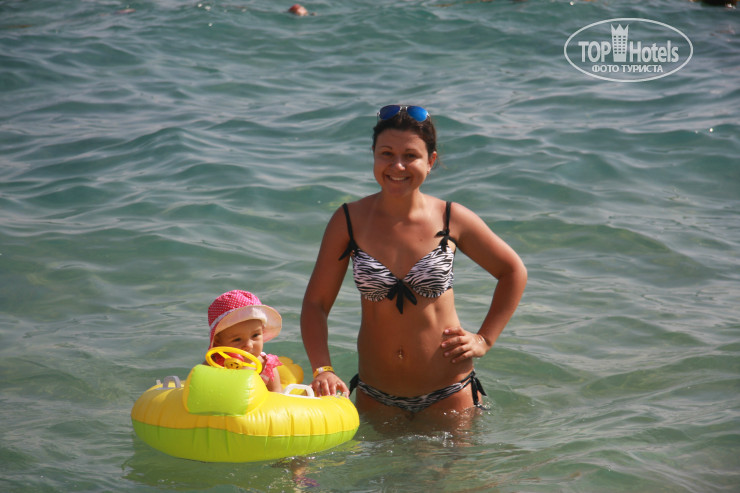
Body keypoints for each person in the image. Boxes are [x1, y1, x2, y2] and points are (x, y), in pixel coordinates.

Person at [301, 105, 527, 419]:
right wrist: (322, 369)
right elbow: (316, 304)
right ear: (373, 155)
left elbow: (512, 271)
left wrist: (484, 339)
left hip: (450, 393)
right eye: (386, 154)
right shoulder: (349, 221)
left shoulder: (451, 218)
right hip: (375, 395)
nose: (397, 165)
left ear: (430, 161)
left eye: (410, 156)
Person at [207, 290, 284, 392]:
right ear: (218, 342)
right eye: (237, 339)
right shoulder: (214, 364)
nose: (248, 345)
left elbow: (277, 395)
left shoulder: (266, 366)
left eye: (255, 335)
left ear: (262, 331)